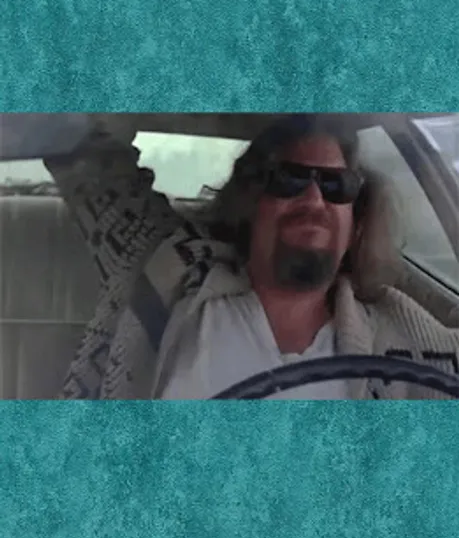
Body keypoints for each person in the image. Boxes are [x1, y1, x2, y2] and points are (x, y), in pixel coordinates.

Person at [38, 112, 458, 401]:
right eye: (290, 179)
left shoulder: (401, 334)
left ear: (357, 223)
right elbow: (73, 144)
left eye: (336, 185)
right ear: (250, 201)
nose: (314, 199)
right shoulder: (171, 269)